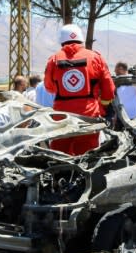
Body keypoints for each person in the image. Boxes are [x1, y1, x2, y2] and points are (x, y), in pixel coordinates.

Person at [44, 24, 115, 155]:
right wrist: (103, 106)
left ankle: (60, 175)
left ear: (62, 40)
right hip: (88, 115)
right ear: (81, 39)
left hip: (62, 116)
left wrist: (66, 91)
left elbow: (49, 87)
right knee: (87, 154)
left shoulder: (53, 60)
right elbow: (109, 89)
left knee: (60, 153)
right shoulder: (95, 57)